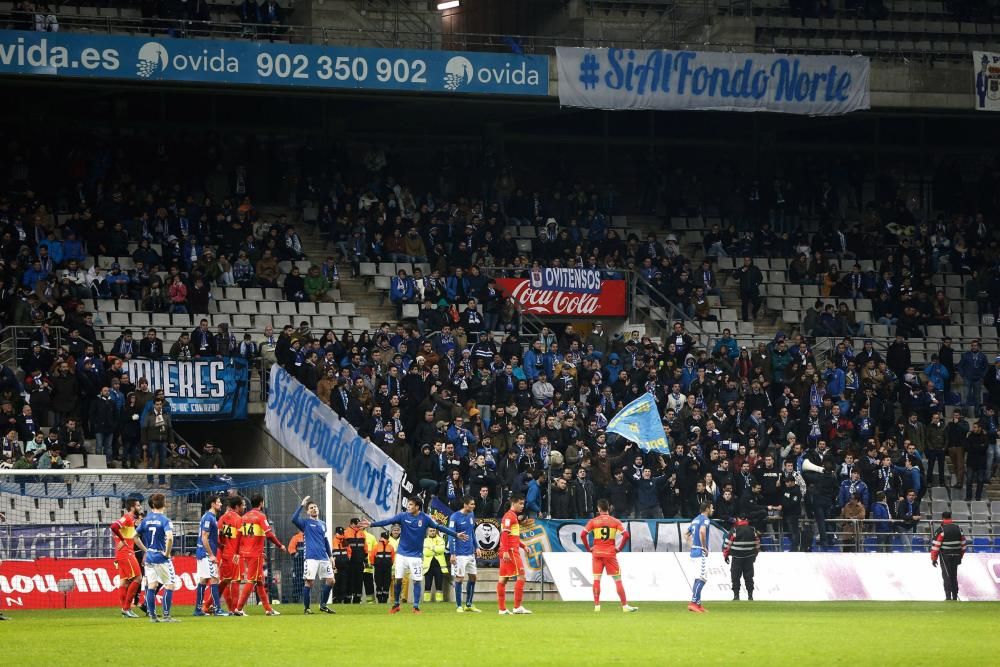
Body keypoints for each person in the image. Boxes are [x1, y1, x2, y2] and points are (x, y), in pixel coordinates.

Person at [360, 496, 468, 614]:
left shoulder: (425, 518)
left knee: (416, 581)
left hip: (416, 557)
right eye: (409, 505)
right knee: (398, 580)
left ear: (417, 506)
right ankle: (396, 604)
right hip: (401, 554)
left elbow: (439, 527)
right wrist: (371, 524)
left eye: (411, 505)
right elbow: (388, 521)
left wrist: (456, 534)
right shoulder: (403, 516)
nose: (409, 507)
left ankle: (416, 607)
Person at [581, 498, 638, 613]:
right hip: (610, 553)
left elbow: (583, 534)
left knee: (597, 579)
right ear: (609, 508)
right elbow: (626, 535)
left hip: (596, 553)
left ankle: (597, 606)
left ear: (598, 508)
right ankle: (624, 606)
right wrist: (619, 548)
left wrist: (588, 549)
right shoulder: (615, 521)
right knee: (617, 580)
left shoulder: (594, 521)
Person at [234, 494, 287, 616]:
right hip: (255, 554)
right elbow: (269, 534)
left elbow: (239, 536)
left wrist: (238, 552)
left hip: (246, 553)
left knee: (259, 581)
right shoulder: (261, 516)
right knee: (252, 580)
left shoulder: (244, 517)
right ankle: (239, 608)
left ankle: (268, 609)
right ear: (261, 503)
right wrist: (280, 545)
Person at [136, 492, 180, 623]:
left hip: (150, 557)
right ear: (164, 504)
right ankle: (166, 616)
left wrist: (146, 550)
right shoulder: (165, 520)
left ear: (153, 504)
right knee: (170, 585)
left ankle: (152, 616)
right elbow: (170, 538)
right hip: (161, 557)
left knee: (151, 586)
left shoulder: (146, 520)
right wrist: (167, 553)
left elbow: (134, 536)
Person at [292, 496, 336, 615]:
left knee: (331, 581)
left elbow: (325, 541)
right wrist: (302, 505)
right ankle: (307, 608)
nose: (314, 509)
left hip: (323, 557)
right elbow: (293, 519)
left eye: (315, 507)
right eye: (311, 508)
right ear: (308, 512)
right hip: (311, 557)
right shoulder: (305, 523)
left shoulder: (323, 524)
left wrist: (330, 556)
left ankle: (323, 605)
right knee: (309, 582)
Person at [193, 495, 229, 617]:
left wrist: (220, 544)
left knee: (204, 579)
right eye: (218, 502)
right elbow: (204, 537)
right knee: (214, 579)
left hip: (201, 552)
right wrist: (211, 555)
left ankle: (198, 610)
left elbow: (210, 537)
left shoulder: (210, 517)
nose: (220, 504)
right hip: (206, 553)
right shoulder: (209, 518)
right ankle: (218, 609)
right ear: (213, 504)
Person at [496, 494, 532, 615]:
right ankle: (517, 607)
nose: (522, 506)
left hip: (510, 549)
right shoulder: (509, 516)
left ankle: (502, 609)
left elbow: (513, 536)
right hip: (510, 551)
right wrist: (506, 550)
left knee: (503, 580)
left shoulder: (513, 517)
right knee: (521, 576)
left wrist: (523, 546)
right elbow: (505, 534)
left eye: (523, 504)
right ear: (513, 503)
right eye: (520, 503)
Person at [109, 496, 142, 618]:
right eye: (138, 505)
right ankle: (127, 608)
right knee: (138, 578)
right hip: (126, 553)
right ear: (133, 507)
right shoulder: (127, 517)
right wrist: (122, 539)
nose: (140, 507)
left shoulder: (131, 520)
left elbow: (132, 538)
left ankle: (124, 610)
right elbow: (113, 527)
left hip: (122, 553)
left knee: (124, 582)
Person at [448, 496, 483, 613]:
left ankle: (468, 604)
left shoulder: (471, 515)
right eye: (471, 504)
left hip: (470, 552)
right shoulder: (455, 517)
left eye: (474, 504)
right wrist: (452, 553)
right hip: (459, 554)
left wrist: (476, 547)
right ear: (465, 505)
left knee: (473, 577)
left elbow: (471, 532)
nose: (474, 506)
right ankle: (459, 605)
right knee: (460, 578)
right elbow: (451, 535)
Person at [930, 511, 967, 601]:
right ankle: (955, 595)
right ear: (951, 517)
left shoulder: (941, 530)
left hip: (945, 556)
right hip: (956, 556)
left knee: (946, 576)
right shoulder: (958, 528)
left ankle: (948, 596)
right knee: (954, 575)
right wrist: (960, 556)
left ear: (942, 518)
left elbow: (936, 546)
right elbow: (963, 544)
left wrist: (934, 559)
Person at [722, 516, 760, 601]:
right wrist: (755, 555)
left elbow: (727, 545)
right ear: (747, 519)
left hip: (736, 557)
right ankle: (750, 596)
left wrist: (726, 555)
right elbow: (757, 544)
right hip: (749, 558)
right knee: (749, 577)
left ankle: (736, 596)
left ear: (738, 519)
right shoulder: (753, 530)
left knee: (735, 577)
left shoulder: (734, 530)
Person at [685, 501, 713, 613]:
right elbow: (702, 531)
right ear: (706, 509)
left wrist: (692, 546)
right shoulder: (705, 519)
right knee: (702, 578)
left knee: (698, 578)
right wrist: (704, 547)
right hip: (700, 552)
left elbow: (686, 534)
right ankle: (693, 603)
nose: (713, 510)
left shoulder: (695, 519)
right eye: (711, 508)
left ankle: (698, 604)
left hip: (694, 551)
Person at [217, 496, 244, 613]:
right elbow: (240, 538)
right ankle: (234, 609)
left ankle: (208, 605)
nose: (244, 507)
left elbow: (218, 537)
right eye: (242, 505)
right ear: (237, 506)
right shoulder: (238, 519)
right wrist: (237, 553)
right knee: (236, 581)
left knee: (225, 581)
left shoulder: (222, 518)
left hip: (224, 554)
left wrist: (222, 550)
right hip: (234, 554)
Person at [422, 527, 447, 603]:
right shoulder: (425, 540)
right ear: (428, 532)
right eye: (431, 531)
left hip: (439, 566)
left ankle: (439, 600)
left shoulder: (441, 539)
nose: (432, 532)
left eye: (434, 531)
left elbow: (442, 549)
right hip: (428, 566)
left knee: (439, 583)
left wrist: (431, 547)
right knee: (427, 584)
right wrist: (436, 549)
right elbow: (426, 552)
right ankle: (426, 600)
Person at [370, 531, 395, 604]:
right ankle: (379, 600)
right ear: (381, 538)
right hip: (378, 569)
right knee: (379, 584)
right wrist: (373, 564)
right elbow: (372, 556)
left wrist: (390, 564)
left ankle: (385, 600)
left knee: (386, 585)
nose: (385, 539)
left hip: (387, 569)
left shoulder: (390, 547)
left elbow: (393, 557)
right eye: (384, 538)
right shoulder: (376, 547)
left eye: (386, 538)